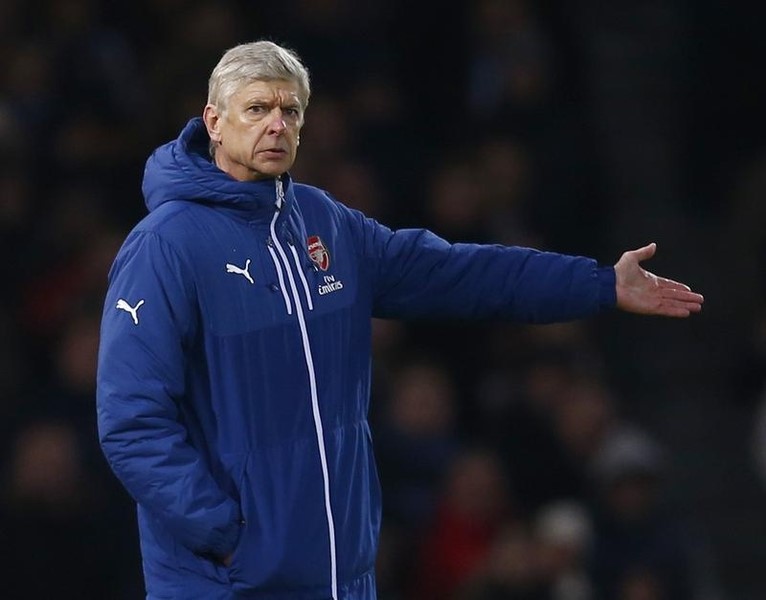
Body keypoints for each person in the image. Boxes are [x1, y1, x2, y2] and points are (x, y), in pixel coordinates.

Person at [96, 40, 704, 600]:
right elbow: (131, 421)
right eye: (257, 109)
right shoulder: (165, 246)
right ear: (213, 122)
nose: (277, 125)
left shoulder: (326, 224)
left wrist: (598, 284)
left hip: (341, 577)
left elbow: (462, 274)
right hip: (224, 583)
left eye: (291, 111)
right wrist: (231, 537)